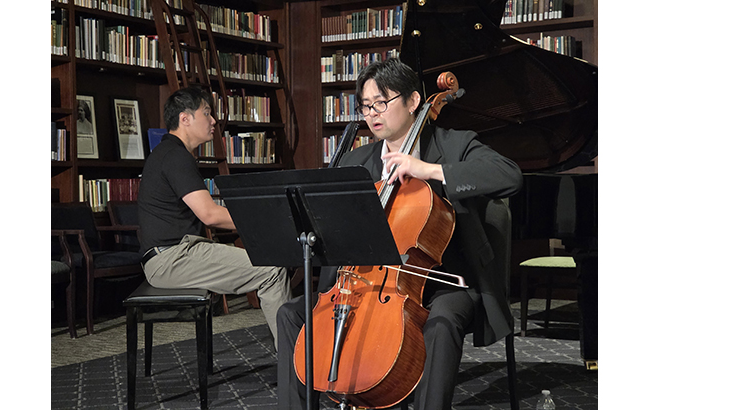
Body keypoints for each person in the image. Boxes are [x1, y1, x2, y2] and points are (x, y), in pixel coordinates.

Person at [275, 58, 523, 410]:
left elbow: (509, 176)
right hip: (365, 285)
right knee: (291, 314)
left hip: (442, 281)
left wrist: (430, 170)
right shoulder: (355, 162)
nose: (372, 114)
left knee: (440, 324)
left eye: (381, 102)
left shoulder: (454, 145)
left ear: (413, 101)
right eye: (365, 106)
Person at [137, 86, 292, 347]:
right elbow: (209, 215)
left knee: (270, 262)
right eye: (207, 113)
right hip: (172, 258)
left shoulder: (169, 154)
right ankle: (296, 362)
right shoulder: (175, 157)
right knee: (273, 270)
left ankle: (294, 354)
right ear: (185, 119)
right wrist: (268, 224)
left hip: (174, 253)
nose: (213, 121)